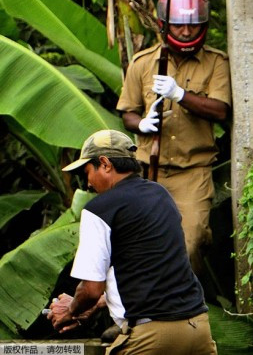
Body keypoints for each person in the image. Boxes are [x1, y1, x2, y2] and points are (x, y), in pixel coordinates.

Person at [47, 129, 217, 355]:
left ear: (105, 164)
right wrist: (98, 304)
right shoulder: (160, 195)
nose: (87, 183)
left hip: (152, 338)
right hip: (197, 330)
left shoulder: (99, 209)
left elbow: (90, 289)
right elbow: (148, 272)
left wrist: (70, 311)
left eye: (87, 171)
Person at [116, 0, 231, 277]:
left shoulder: (216, 63)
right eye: (179, 25)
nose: (187, 31)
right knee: (139, 246)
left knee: (191, 242)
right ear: (164, 24)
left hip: (193, 172)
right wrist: (140, 124)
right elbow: (127, 112)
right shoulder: (142, 64)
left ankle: (183, 311)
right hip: (147, 170)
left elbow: (220, 109)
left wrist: (181, 95)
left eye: (193, 25)